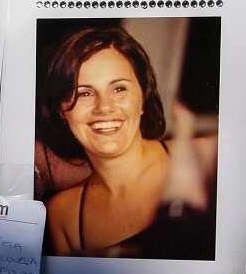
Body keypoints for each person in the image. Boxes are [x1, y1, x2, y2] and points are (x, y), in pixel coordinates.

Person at [38, 23, 216, 258]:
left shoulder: (205, 159)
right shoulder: (63, 215)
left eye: (119, 89)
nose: (104, 107)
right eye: (84, 93)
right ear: (62, 111)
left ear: (143, 95)